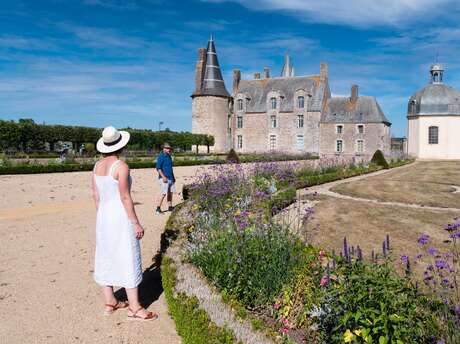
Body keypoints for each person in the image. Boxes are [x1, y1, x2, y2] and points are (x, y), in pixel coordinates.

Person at [91, 126, 158, 321]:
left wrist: (103, 215)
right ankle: (135, 308)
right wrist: (136, 223)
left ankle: (110, 301)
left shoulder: (96, 166)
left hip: (103, 216)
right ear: (120, 145)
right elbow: (125, 197)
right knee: (127, 254)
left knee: (105, 254)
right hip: (120, 217)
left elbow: (95, 194)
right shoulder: (120, 166)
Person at [155, 142, 176, 215]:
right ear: (163, 149)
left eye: (169, 148)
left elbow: (170, 168)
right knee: (163, 193)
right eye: (167, 148)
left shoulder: (169, 156)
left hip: (170, 178)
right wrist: (163, 177)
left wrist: (173, 177)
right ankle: (158, 208)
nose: (169, 149)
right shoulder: (161, 157)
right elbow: (158, 168)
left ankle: (170, 207)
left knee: (170, 193)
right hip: (164, 178)